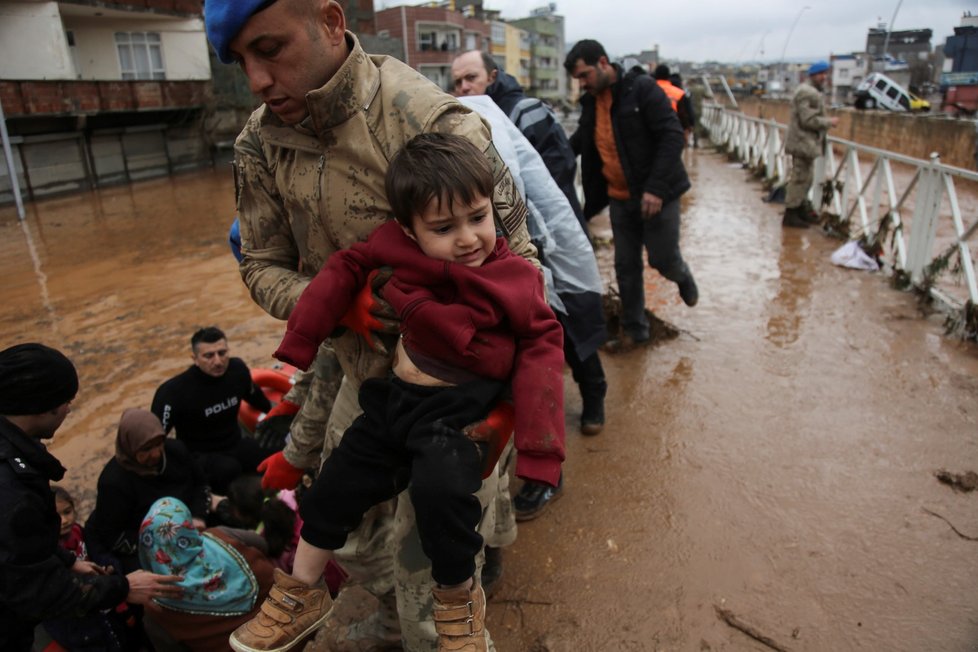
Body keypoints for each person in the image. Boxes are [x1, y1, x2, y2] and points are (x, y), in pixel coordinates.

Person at [203, 0, 539, 648]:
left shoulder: (432, 122)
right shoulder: (259, 142)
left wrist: (516, 401)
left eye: (270, 50)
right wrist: (328, 302)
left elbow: (521, 260)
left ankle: (443, 614)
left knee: (437, 583)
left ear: (331, 22)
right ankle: (390, 618)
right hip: (361, 376)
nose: (258, 81)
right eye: (240, 62)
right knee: (344, 528)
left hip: (459, 387)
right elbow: (261, 264)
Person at [229, 132, 566, 652]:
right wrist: (303, 338)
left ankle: (459, 609)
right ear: (408, 230)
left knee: (443, 503)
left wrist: (540, 450)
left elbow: (544, 346)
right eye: (444, 228)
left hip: (455, 418)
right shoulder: (393, 246)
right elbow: (345, 265)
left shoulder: (514, 278)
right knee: (331, 487)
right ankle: (301, 593)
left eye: (478, 217)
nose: (469, 238)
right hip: (393, 402)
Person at [0, 343, 183, 652]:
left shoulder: (16, 461)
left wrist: (69, 561)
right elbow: (35, 590)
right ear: (44, 406)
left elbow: (22, 548)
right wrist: (123, 587)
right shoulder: (13, 493)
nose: (70, 409)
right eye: (67, 401)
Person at [564, 39, 700, 349]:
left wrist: (655, 188)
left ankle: (682, 276)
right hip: (619, 198)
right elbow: (577, 144)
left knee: (662, 259)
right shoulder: (591, 104)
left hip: (658, 194)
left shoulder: (641, 90)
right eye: (577, 80)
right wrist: (543, 160)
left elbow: (672, 135)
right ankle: (635, 332)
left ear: (602, 63)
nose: (582, 84)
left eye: (584, 75)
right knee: (625, 267)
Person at [451, 49, 586, 230]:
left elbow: (557, 177)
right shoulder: (467, 121)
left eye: (471, 77)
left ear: (492, 77)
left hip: (544, 228)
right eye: (458, 82)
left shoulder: (527, 111)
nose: (464, 87)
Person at [138, 496, 276, 652]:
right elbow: (263, 545)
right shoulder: (220, 535)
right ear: (188, 526)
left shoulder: (155, 610)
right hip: (290, 627)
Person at [85, 408, 211, 573]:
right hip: (146, 544)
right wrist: (159, 544)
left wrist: (198, 517)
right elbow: (111, 536)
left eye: (159, 444)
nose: (156, 454)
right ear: (130, 447)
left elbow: (201, 484)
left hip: (188, 524)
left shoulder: (176, 451)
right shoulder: (113, 482)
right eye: (146, 449)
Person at [151, 326, 272, 495]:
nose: (217, 361)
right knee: (229, 469)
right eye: (208, 356)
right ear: (195, 359)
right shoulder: (173, 392)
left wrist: (277, 415)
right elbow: (157, 439)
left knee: (263, 454)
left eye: (222, 353)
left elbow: (258, 399)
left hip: (233, 442)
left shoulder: (237, 370)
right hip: (199, 453)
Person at [41, 486, 140, 651]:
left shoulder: (79, 531)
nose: (64, 520)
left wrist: (109, 567)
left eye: (67, 512)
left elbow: (98, 552)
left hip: (102, 595)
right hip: (76, 613)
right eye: (56, 516)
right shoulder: (46, 550)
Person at [783, 60, 839, 229]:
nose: (824, 78)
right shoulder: (807, 93)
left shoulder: (807, 91)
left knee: (806, 178)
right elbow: (808, 120)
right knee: (800, 178)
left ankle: (799, 210)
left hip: (805, 143)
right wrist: (830, 122)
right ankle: (791, 213)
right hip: (802, 143)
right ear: (813, 75)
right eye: (821, 74)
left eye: (825, 74)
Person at [653, 64, 695, 146]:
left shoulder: (647, 91)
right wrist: (688, 128)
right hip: (674, 131)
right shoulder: (679, 93)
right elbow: (684, 114)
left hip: (653, 131)